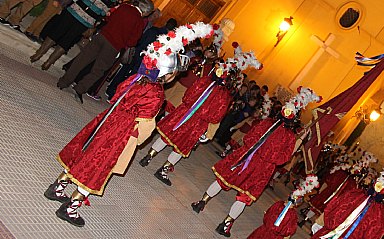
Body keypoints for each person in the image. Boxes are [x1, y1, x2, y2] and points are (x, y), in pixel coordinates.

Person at [43, 22, 214, 227]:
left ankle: (57, 188)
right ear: (167, 74)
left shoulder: (138, 78)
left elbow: (116, 95)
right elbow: (145, 125)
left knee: (85, 153)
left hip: (107, 120)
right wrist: (136, 139)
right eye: (173, 75)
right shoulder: (155, 93)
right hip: (121, 132)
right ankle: (70, 208)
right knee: (97, 166)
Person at [191, 87, 321, 238]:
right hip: (262, 168)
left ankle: (202, 202)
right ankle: (225, 224)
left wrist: (257, 150)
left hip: (247, 157)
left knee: (224, 180)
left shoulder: (268, 123)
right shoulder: (289, 137)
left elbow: (249, 138)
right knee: (244, 196)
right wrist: (269, 157)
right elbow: (283, 158)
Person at [139, 40, 263, 187]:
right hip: (197, 124)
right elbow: (216, 116)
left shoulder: (205, 81)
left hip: (185, 113)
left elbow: (188, 95)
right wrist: (208, 132)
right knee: (181, 148)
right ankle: (163, 170)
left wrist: (187, 107)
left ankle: (148, 156)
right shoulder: (224, 96)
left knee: (168, 136)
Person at [300, 153, 384, 239]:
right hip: (329, 236)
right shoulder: (359, 198)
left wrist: (320, 223)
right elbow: (335, 206)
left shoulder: (378, 213)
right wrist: (320, 222)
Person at [56, 0, 154, 104]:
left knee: (82, 60)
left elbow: (109, 18)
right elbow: (132, 42)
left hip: (102, 36)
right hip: (113, 47)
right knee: (98, 70)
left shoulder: (124, 7)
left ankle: (63, 82)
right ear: (146, 12)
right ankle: (80, 88)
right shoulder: (139, 22)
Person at [31, 0, 122, 71]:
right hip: (86, 21)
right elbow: (103, 12)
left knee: (56, 32)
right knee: (67, 41)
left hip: (74, 11)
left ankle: (38, 54)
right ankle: (48, 63)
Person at [236, 175, 320, 239]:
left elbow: (269, 212)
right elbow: (289, 229)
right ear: (297, 204)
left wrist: (267, 220)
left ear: (289, 197)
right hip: (276, 236)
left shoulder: (279, 204)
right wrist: (286, 237)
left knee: (256, 237)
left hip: (266, 228)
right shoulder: (293, 215)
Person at [104, 17, 178, 101]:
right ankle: (115, 95)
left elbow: (141, 39)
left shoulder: (153, 30)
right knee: (130, 78)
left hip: (137, 53)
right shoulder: (166, 40)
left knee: (123, 71)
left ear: (166, 22)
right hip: (145, 61)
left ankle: (110, 89)